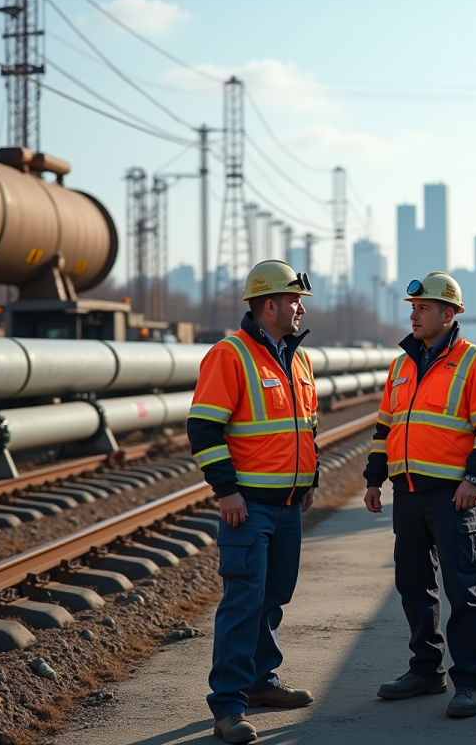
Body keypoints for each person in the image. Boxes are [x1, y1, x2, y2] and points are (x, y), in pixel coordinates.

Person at [363, 271, 476, 718]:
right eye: (412, 308)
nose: (414, 314)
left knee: (463, 589)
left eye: (423, 308)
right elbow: (384, 429)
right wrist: (374, 479)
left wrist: (474, 479)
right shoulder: (401, 364)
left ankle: (470, 683)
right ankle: (426, 670)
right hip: (406, 493)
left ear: (449, 315)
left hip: (451, 497)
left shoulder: (475, 362)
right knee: (413, 586)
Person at [187, 260, 320, 744]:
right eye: (293, 300)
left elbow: (306, 426)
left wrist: (308, 480)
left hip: (287, 503)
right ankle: (227, 705)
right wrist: (226, 491)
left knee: (273, 596)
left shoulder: (297, 358)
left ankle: (262, 682)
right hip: (249, 505)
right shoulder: (230, 355)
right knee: (243, 600)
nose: (300, 308)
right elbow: (203, 428)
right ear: (270, 305)